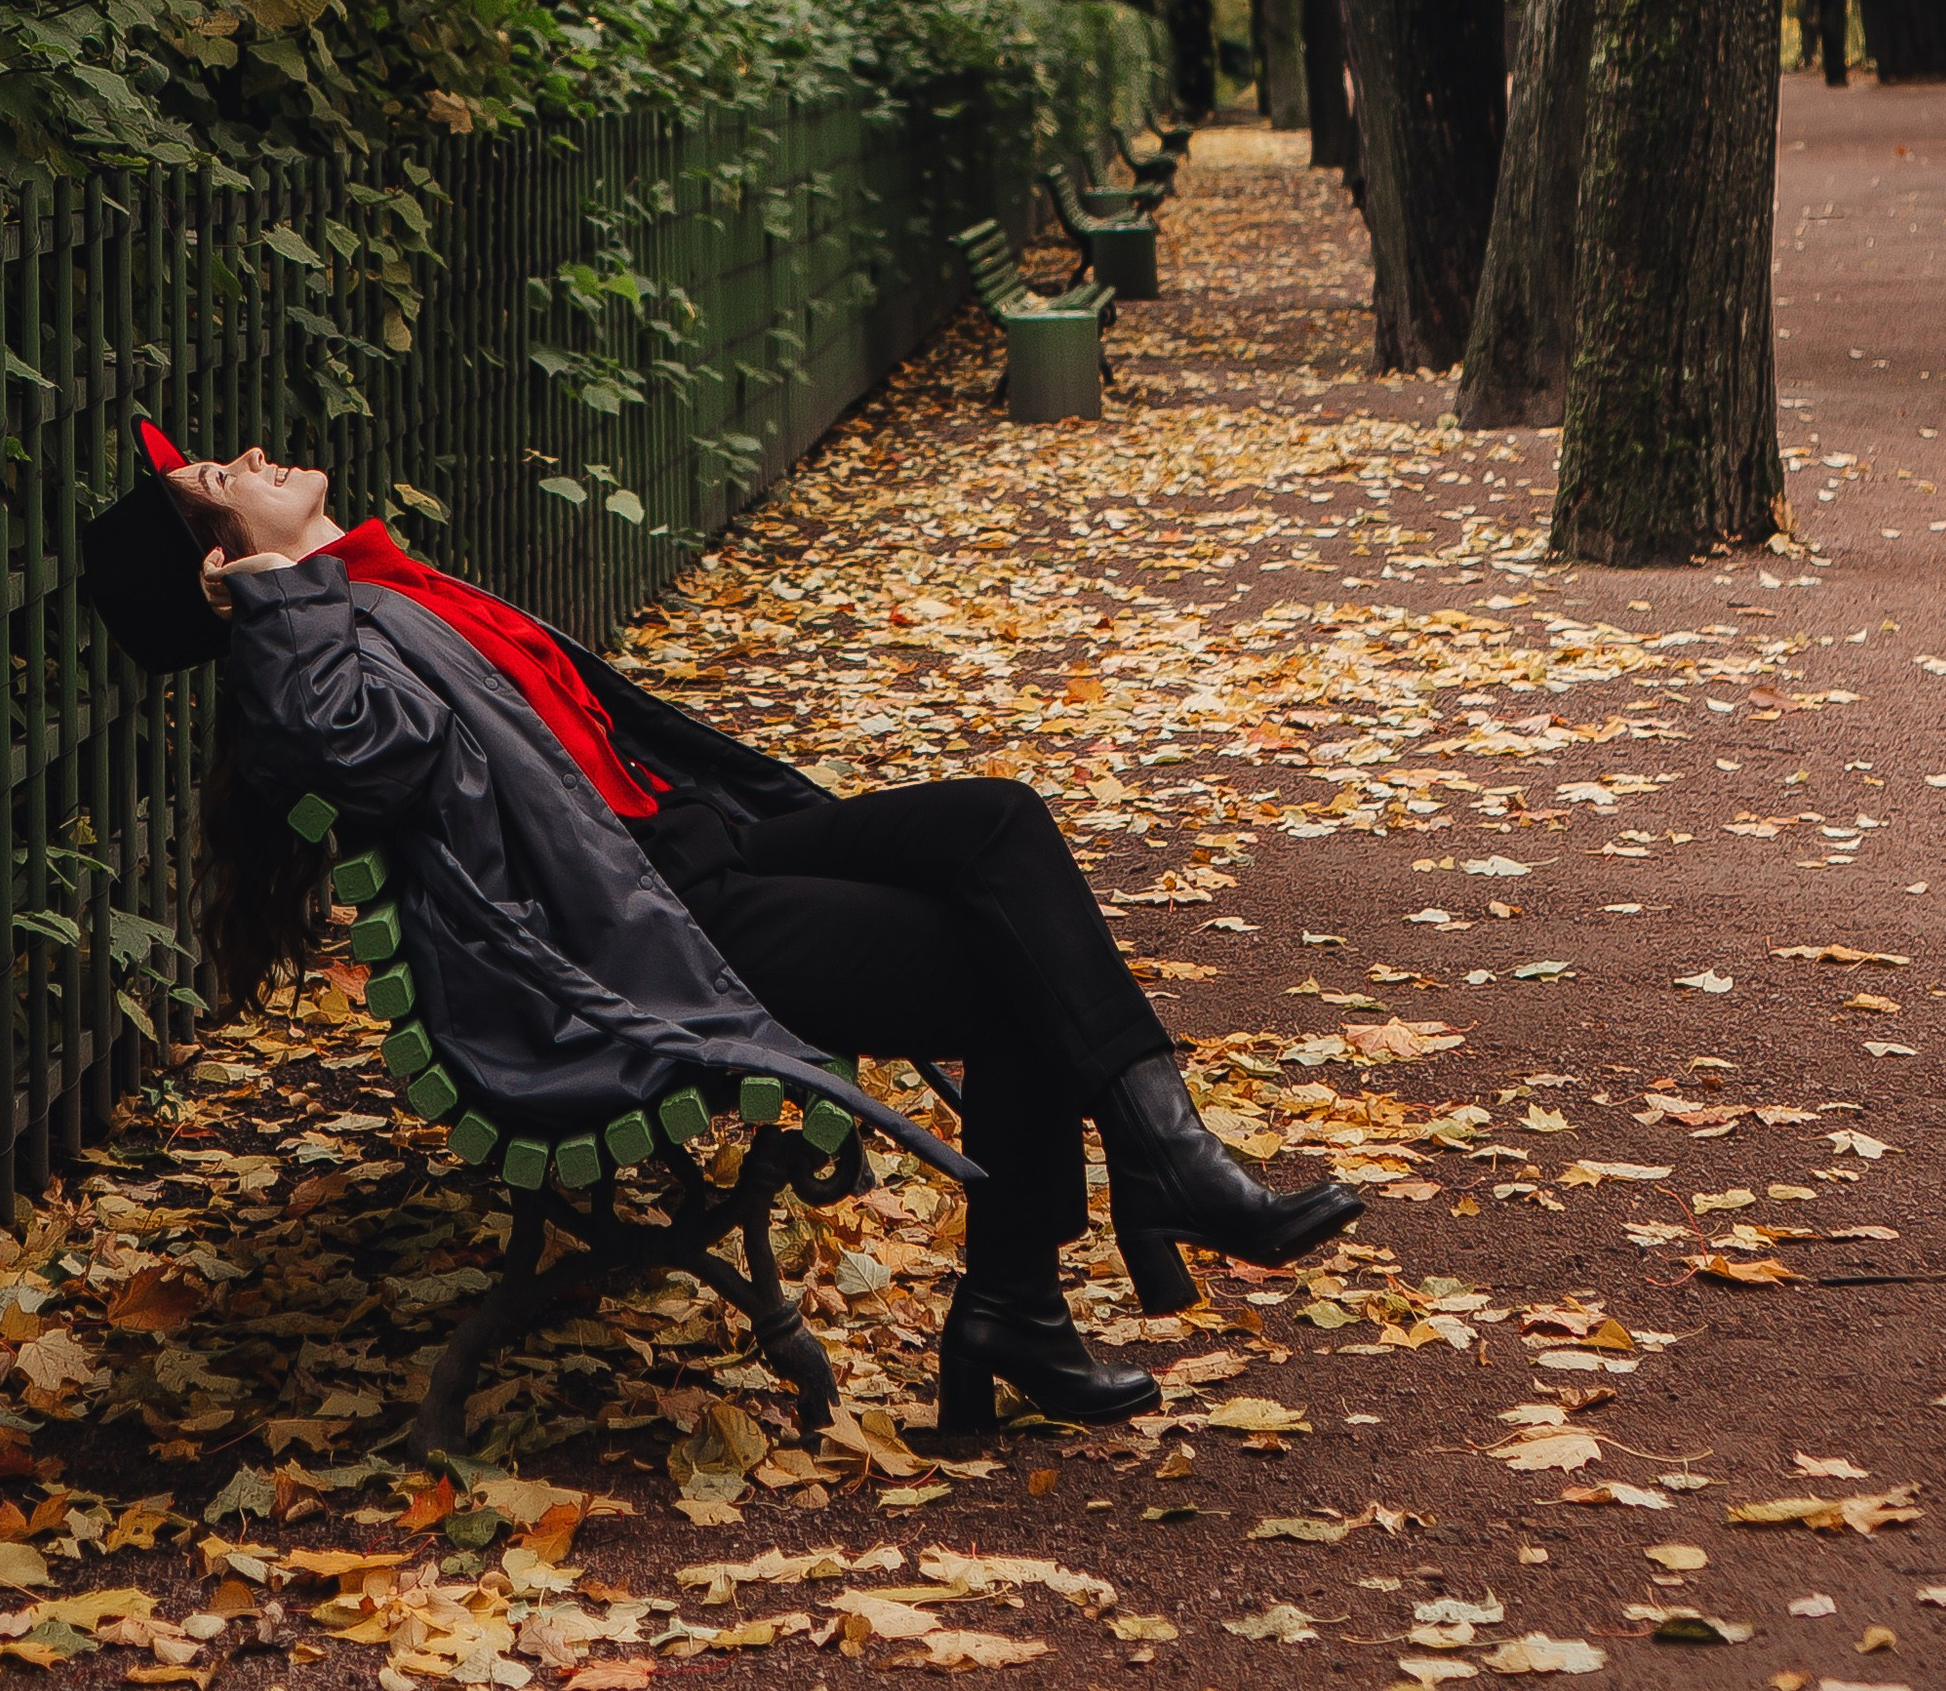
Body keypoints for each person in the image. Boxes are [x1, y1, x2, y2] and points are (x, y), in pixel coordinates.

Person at [79, 424, 1360, 1434]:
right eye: (218, 476)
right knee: (1007, 971)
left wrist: (292, 574)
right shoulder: (309, 639)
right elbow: (362, 756)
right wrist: (269, 585)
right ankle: (1051, 1277)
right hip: (651, 929)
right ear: (218, 561)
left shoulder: (361, 594)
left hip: (693, 847)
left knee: (999, 826)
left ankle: (1151, 1170)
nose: (250, 460)